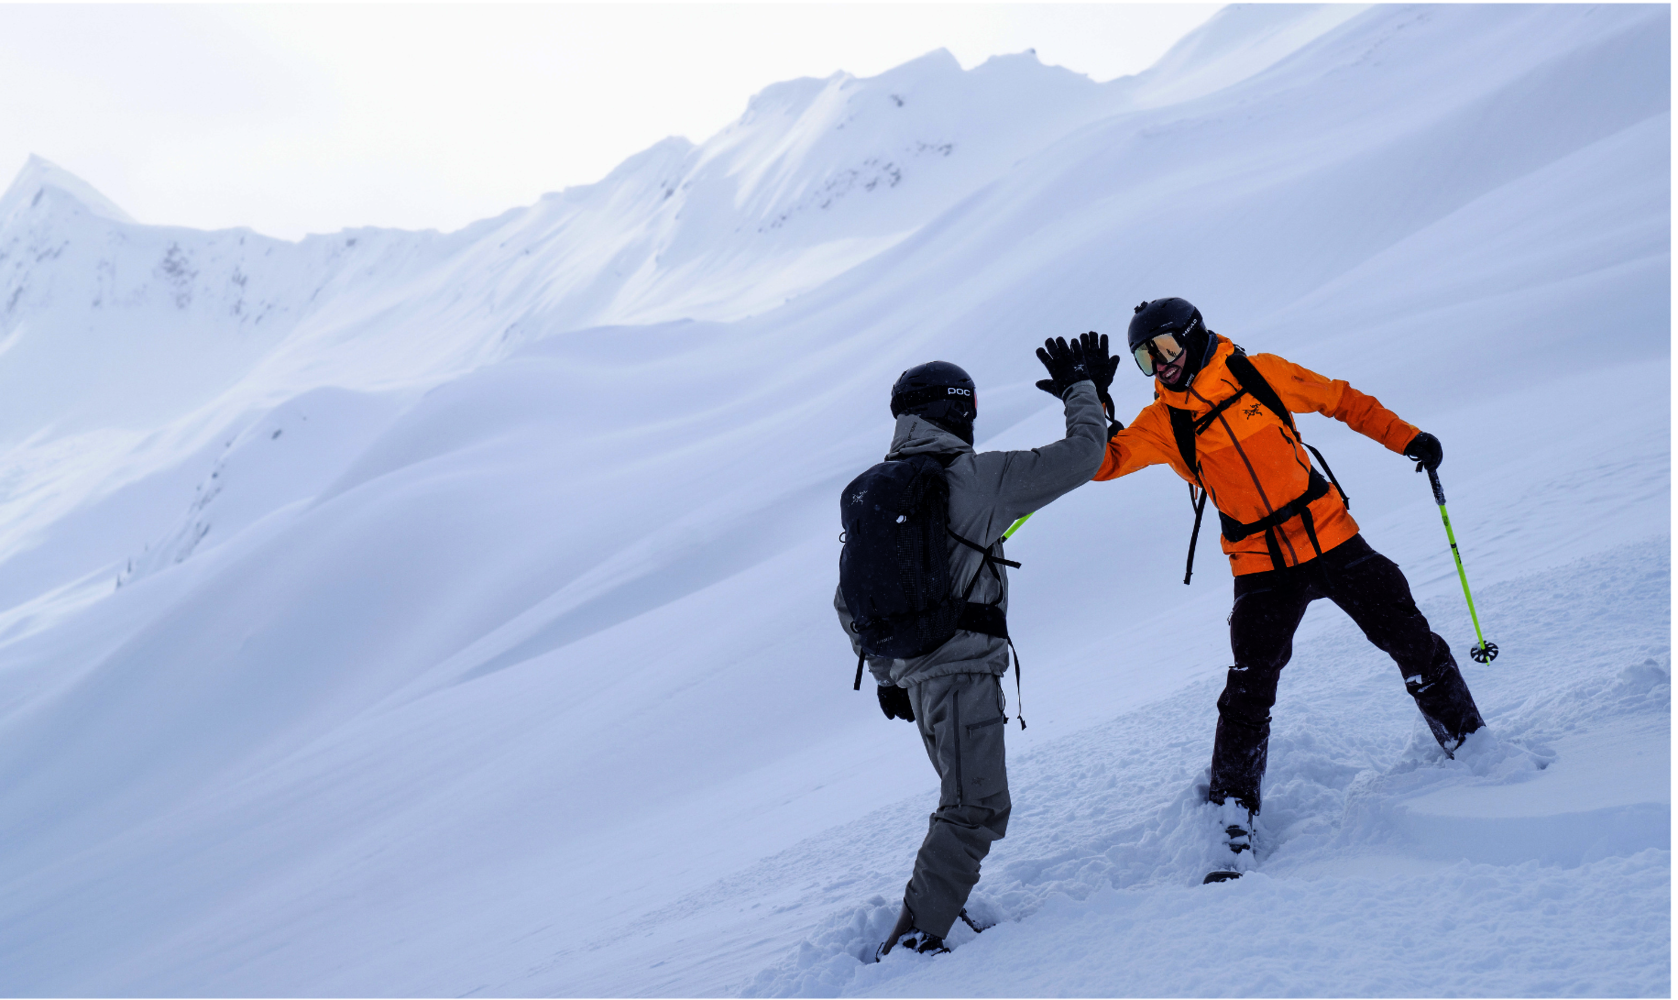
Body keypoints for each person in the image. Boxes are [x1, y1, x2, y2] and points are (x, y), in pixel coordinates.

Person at [1094, 298, 1485, 879]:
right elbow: (1105, 462)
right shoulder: (1163, 423)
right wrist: (1091, 402)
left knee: (1409, 636)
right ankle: (1232, 814)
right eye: (1145, 359)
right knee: (1250, 688)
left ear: (1196, 337)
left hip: (1332, 538)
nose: (1161, 365)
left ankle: (1469, 742)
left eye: (1167, 348)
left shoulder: (1260, 374)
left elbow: (1342, 400)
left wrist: (1407, 438)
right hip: (1259, 566)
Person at [836, 338, 1110, 957]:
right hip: (961, 673)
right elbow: (1085, 454)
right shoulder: (978, 478)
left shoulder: (873, 491)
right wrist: (1081, 389)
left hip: (917, 676)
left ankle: (938, 910)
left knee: (960, 799)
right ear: (958, 411)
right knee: (976, 807)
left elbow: (848, 600)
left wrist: (888, 676)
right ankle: (915, 939)